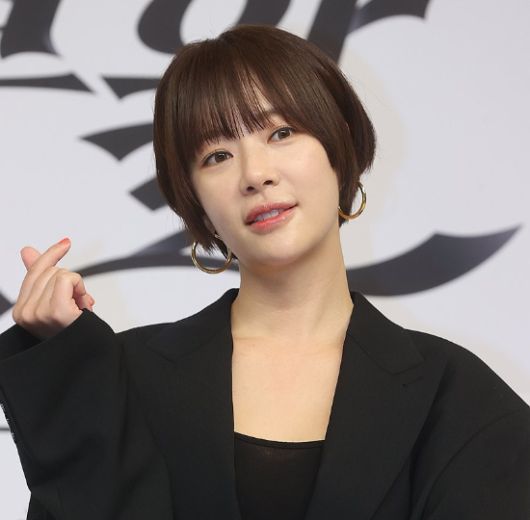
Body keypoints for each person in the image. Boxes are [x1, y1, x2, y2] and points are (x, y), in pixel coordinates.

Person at [0, 24, 528, 520]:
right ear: (194, 200)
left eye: (281, 132)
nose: (255, 174)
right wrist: (66, 363)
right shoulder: (126, 380)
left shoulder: (456, 398)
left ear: (338, 145)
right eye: (217, 155)